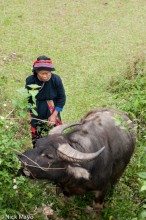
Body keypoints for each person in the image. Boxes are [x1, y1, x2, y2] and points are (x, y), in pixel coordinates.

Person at [25, 55, 66, 148]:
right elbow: (28, 98)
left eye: (47, 73)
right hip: (36, 108)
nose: (45, 76)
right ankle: (37, 150)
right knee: (36, 133)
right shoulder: (30, 80)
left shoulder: (56, 80)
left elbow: (61, 98)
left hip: (51, 107)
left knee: (55, 133)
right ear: (36, 72)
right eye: (42, 73)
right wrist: (28, 113)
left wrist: (54, 115)